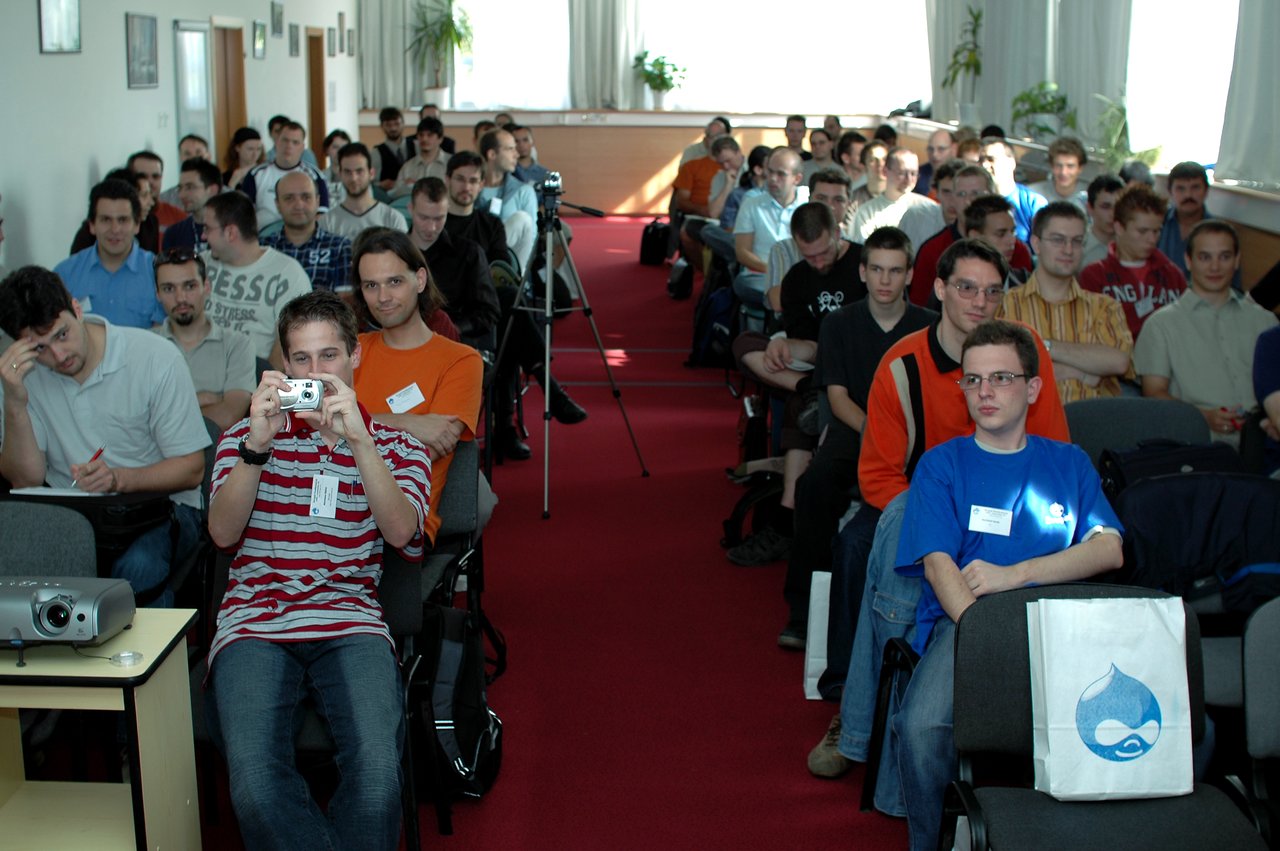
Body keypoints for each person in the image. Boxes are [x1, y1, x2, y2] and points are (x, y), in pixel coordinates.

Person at [807, 240, 1068, 780]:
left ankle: (906, 721)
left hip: (1003, 514)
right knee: (859, 548)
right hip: (909, 500)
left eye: (993, 291)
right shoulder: (902, 363)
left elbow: (1050, 458)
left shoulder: (1025, 353)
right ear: (941, 290)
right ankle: (853, 709)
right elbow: (877, 473)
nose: (980, 301)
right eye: (967, 288)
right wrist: (938, 525)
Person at [204, 290, 429, 851]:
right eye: (300, 360)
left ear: (356, 357)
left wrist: (358, 441)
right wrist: (257, 446)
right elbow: (222, 534)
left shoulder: (399, 447)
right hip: (256, 623)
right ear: (281, 368)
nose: (315, 372)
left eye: (328, 356)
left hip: (350, 621)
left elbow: (402, 532)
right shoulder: (243, 438)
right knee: (255, 786)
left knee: (378, 778)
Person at [891, 319, 1123, 851]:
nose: (985, 392)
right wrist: (986, 631)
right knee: (922, 728)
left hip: (1063, 624)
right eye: (972, 381)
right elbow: (938, 565)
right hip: (967, 622)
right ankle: (930, 842)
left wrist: (1015, 575)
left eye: (1000, 378)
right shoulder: (941, 464)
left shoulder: (1068, 461)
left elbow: (1109, 548)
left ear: (1033, 387)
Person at [0, 266, 208, 607]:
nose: (58, 356)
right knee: (27, 561)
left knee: (136, 568)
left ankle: (142, 659)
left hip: (159, 506)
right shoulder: (23, 378)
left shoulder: (154, 356)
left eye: (62, 334)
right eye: (39, 349)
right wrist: (14, 401)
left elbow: (191, 469)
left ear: (76, 308)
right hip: (72, 512)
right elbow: (26, 480)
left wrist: (118, 479)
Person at [783, 227, 936, 662]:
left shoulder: (928, 325)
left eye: (895, 271)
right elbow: (837, 398)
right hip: (858, 429)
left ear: (908, 275)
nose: (885, 280)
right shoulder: (839, 323)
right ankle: (800, 610)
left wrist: (901, 435)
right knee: (813, 488)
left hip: (917, 436)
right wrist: (880, 429)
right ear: (863, 273)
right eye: (876, 270)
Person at [350, 228, 483, 545]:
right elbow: (316, 430)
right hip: (331, 511)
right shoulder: (351, 349)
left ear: (420, 280)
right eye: (371, 285)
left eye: (394, 282)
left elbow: (432, 446)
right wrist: (408, 423)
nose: (383, 298)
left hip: (401, 526)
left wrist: (350, 424)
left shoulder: (461, 360)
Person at [1135, 220, 1276, 446]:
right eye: (1205, 257)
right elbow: (1153, 394)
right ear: (1188, 261)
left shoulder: (1265, 321)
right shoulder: (1160, 325)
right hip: (1200, 445)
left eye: (1225, 256)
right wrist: (1203, 416)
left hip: (1266, 442)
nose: (1215, 267)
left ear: (1237, 260)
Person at [998, 202, 1133, 402]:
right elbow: (1003, 370)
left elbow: (1119, 362)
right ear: (1036, 244)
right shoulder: (1006, 304)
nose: (1068, 250)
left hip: (1095, 423)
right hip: (1029, 426)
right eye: (1058, 240)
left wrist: (1044, 346)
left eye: (1077, 241)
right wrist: (1081, 372)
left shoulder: (1105, 306)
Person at [202, 190, 313, 368]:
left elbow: (289, 346)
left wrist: (260, 391)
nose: (203, 236)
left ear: (231, 232)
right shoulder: (202, 264)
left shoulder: (287, 273)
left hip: (253, 378)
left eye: (207, 228)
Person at [152, 247, 254, 430]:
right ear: (157, 294)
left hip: (218, 455)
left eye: (189, 286)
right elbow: (136, 419)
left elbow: (229, 416)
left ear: (206, 286)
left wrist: (164, 413)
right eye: (168, 289)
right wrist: (202, 399)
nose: (180, 298)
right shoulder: (145, 345)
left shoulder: (237, 344)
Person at [1079, 183, 1187, 340]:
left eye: (1156, 231)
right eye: (1142, 231)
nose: (1152, 239)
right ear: (1119, 228)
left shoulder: (1173, 274)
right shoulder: (1095, 275)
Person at [54, 178, 163, 329]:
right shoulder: (64, 275)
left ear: (137, 225)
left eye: (123, 220)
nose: (115, 229)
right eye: (106, 219)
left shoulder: (158, 272)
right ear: (92, 225)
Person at [407, 177, 500, 354]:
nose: (431, 227)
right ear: (410, 209)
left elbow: (489, 311)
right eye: (424, 218)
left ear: (447, 211)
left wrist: (454, 328)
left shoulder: (469, 253)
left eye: (439, 218)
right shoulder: (393, 254)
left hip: (452, 347)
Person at [733, 147, 807, 308]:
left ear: (797, 178)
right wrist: (776, 271)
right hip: (761, 275)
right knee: (744, 284)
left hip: (801, 275)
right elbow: (742, 253)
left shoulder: (808, 204)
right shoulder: (751, 204)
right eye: (770, 171)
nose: (773, 178)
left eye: (781, 174)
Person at [262, 171, 354, 294]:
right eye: (289, 198)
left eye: (306, 197)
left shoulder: (341, 247)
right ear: (277, 204)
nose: (299, 205)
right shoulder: (263, 247)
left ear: (317, 201)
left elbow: (346, 304)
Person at [1157, 160, 1238, 288]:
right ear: (1170, 191)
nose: (1188, 195)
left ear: (1206, 190)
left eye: (1195, 187)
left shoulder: (1221, 233)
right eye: (1181, 189)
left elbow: (1232, 285)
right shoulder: (1156, 224)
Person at [240, 121, 330, 228]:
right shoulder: (255, 174)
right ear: (276, 142)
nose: (289, 146)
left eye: (295, 142)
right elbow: (243, 215)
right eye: (285, 140)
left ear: (302, 147)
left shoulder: (315, 176)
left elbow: (321, 215)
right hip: (262, 237)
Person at [849, 148, 940, 244]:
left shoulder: (929, 208)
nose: (908, 179)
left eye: (913, 173)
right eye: (901, 173)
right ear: (885, 171)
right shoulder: (866, 213)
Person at [477, 128, 538, 270]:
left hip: (508, 266)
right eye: (510, 149)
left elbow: (530, 241)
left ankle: (514, 284)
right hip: (474, 257)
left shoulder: (524, 191)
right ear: (492, 154)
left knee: (522, 219)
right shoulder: (470, 189)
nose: (516, 154)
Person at [322, 142, 408, 241]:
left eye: (359, 171)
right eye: (347, 172)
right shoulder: (327, 222)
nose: (353, 178)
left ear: (371, 173)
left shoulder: (393, 219)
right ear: (340, 174)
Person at [979, 137, 1046, 243]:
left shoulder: (1033, 202)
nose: (984, 165)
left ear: (1011, 163)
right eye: (981, 160)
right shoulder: (975, 202)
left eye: (991, 159)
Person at [163, 158, 223, 253]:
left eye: (190, 187)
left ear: (212, 190)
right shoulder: (174, 234)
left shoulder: (231, 230)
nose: (181, 195)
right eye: (180, 188)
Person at [388, 117, 449, 199]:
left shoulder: (451, 163)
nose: (424, 139)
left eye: (429, 135)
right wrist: (405, 188)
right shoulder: (408, 166)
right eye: (421, 135)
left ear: (440, 139)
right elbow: (393, 195)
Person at [1028, 136, 1089, 211]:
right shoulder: (1032, 194)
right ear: (1051, 166)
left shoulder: (1089, 197)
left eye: (1070, 166)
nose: (1063, 172)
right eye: (1058, 165)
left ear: (1080, 168)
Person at [1081, 173, 1124, 268]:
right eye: (1105, 207)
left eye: (1118, 207)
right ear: (1090, 208)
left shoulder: (1132, 246)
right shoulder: (1077, 247)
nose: (1113, 214)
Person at [159, 134, 213, 208]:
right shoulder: (166, 200)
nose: (193, 157)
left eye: (198, 152)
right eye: (187, 154)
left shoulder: (227, 196)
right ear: (181, 158)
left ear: (209, 156)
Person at [369, 106, 414, 192]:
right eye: (388, 125)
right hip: (389, 198)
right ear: (382, 126)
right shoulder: (376, 152)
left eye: (396, 124)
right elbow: (370, 182)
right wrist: (381, 184)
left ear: (403, 123)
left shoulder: (416, 146)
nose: (393, 128)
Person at [916, 129, 957, 196]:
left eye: (941, 149)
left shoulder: (963, 177)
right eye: (930, 149)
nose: (934, 154)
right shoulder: (918, 174)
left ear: (954, 149)